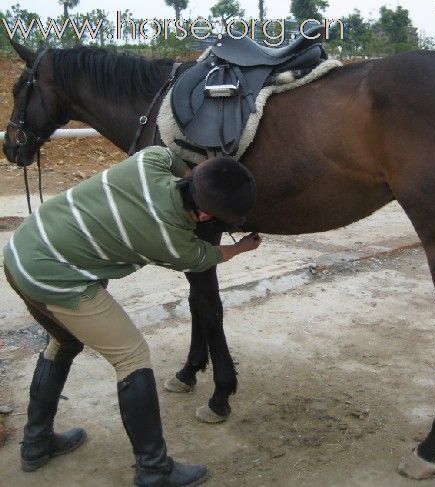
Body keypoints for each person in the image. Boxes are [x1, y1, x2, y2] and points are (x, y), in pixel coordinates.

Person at [3, 146, 261, 487]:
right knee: (132, 356)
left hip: (22, 250)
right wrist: (242, 246)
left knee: (65, 340)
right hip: (52, 276)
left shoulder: (150, 160)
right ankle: (154, 470)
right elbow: (207, 257)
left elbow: (175, 160)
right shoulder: (171, 241)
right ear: (202, 217)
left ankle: (36, 443)